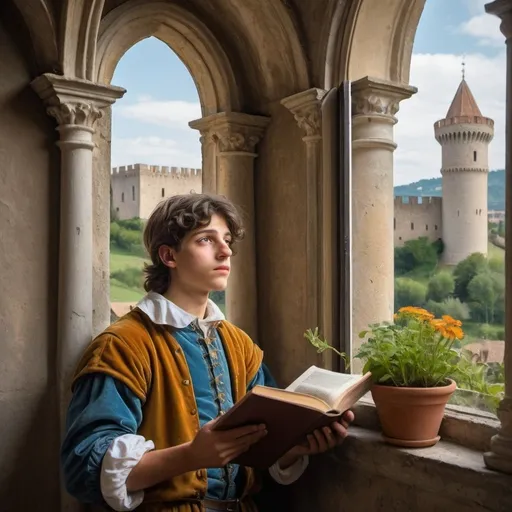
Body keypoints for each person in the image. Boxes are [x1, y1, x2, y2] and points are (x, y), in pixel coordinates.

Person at [61, 193, 354, 512]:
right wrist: (190, 456)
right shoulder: (122, 345)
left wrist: (293, 447)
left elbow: (263, 445)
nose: (225, 250)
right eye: (206, 239)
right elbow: (83, 469)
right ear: (169, 255)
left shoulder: (240, 346)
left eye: (227, 240)